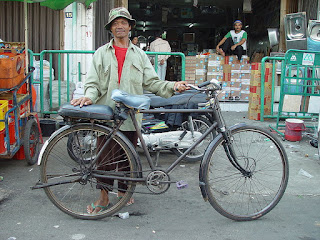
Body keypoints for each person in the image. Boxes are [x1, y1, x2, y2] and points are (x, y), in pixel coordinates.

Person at [70, 7, 189, 214]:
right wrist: (88, 96)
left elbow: (152, 82)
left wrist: (173, 86)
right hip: (107, 116)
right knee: (105, 159)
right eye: (115, 23)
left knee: (128, 158)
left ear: (130, 26)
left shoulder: (140, 55)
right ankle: (104, 197)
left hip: (131, 117)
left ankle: (124, 194)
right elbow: (93, 83)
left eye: (123, 22)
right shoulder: (101, 53)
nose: (120, 26)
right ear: (110, 28)